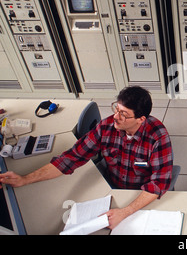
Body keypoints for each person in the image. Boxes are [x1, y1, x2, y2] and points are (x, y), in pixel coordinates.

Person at [0, 86, 173, 230]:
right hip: (111, 189)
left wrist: (125, 211)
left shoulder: (158, 136)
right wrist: (25, 179)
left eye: (124, 114)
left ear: (141, 119)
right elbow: (70, 158)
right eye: (116, 109)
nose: (115, 117)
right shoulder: (106, 127)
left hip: (140, 196)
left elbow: (158, 183)